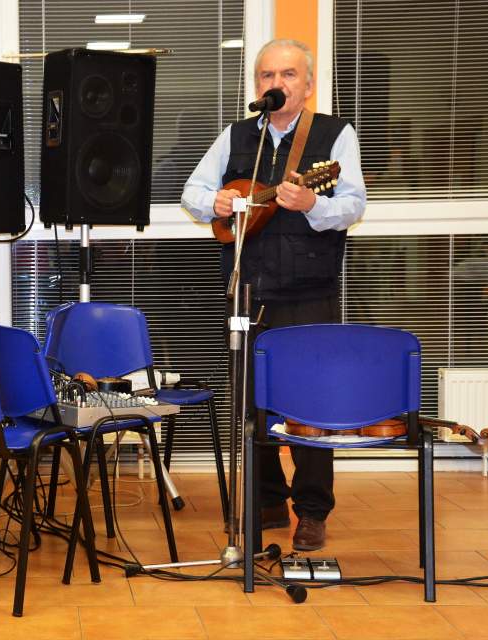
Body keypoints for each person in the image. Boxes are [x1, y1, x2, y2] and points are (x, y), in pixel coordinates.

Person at [181, 39, 367, 551]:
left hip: (309, 293)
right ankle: (265, 500)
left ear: (308, 85)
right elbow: (192, 194)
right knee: (251, 401)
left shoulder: (335, 134)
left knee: (311, 406)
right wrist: (217, 201)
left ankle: (312, 510)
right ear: (256, 85)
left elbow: (353, 205)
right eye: (267, 75)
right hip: (247, 289)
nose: (276, 83)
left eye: (287, 75)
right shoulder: (238, 135)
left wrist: (311, 203)